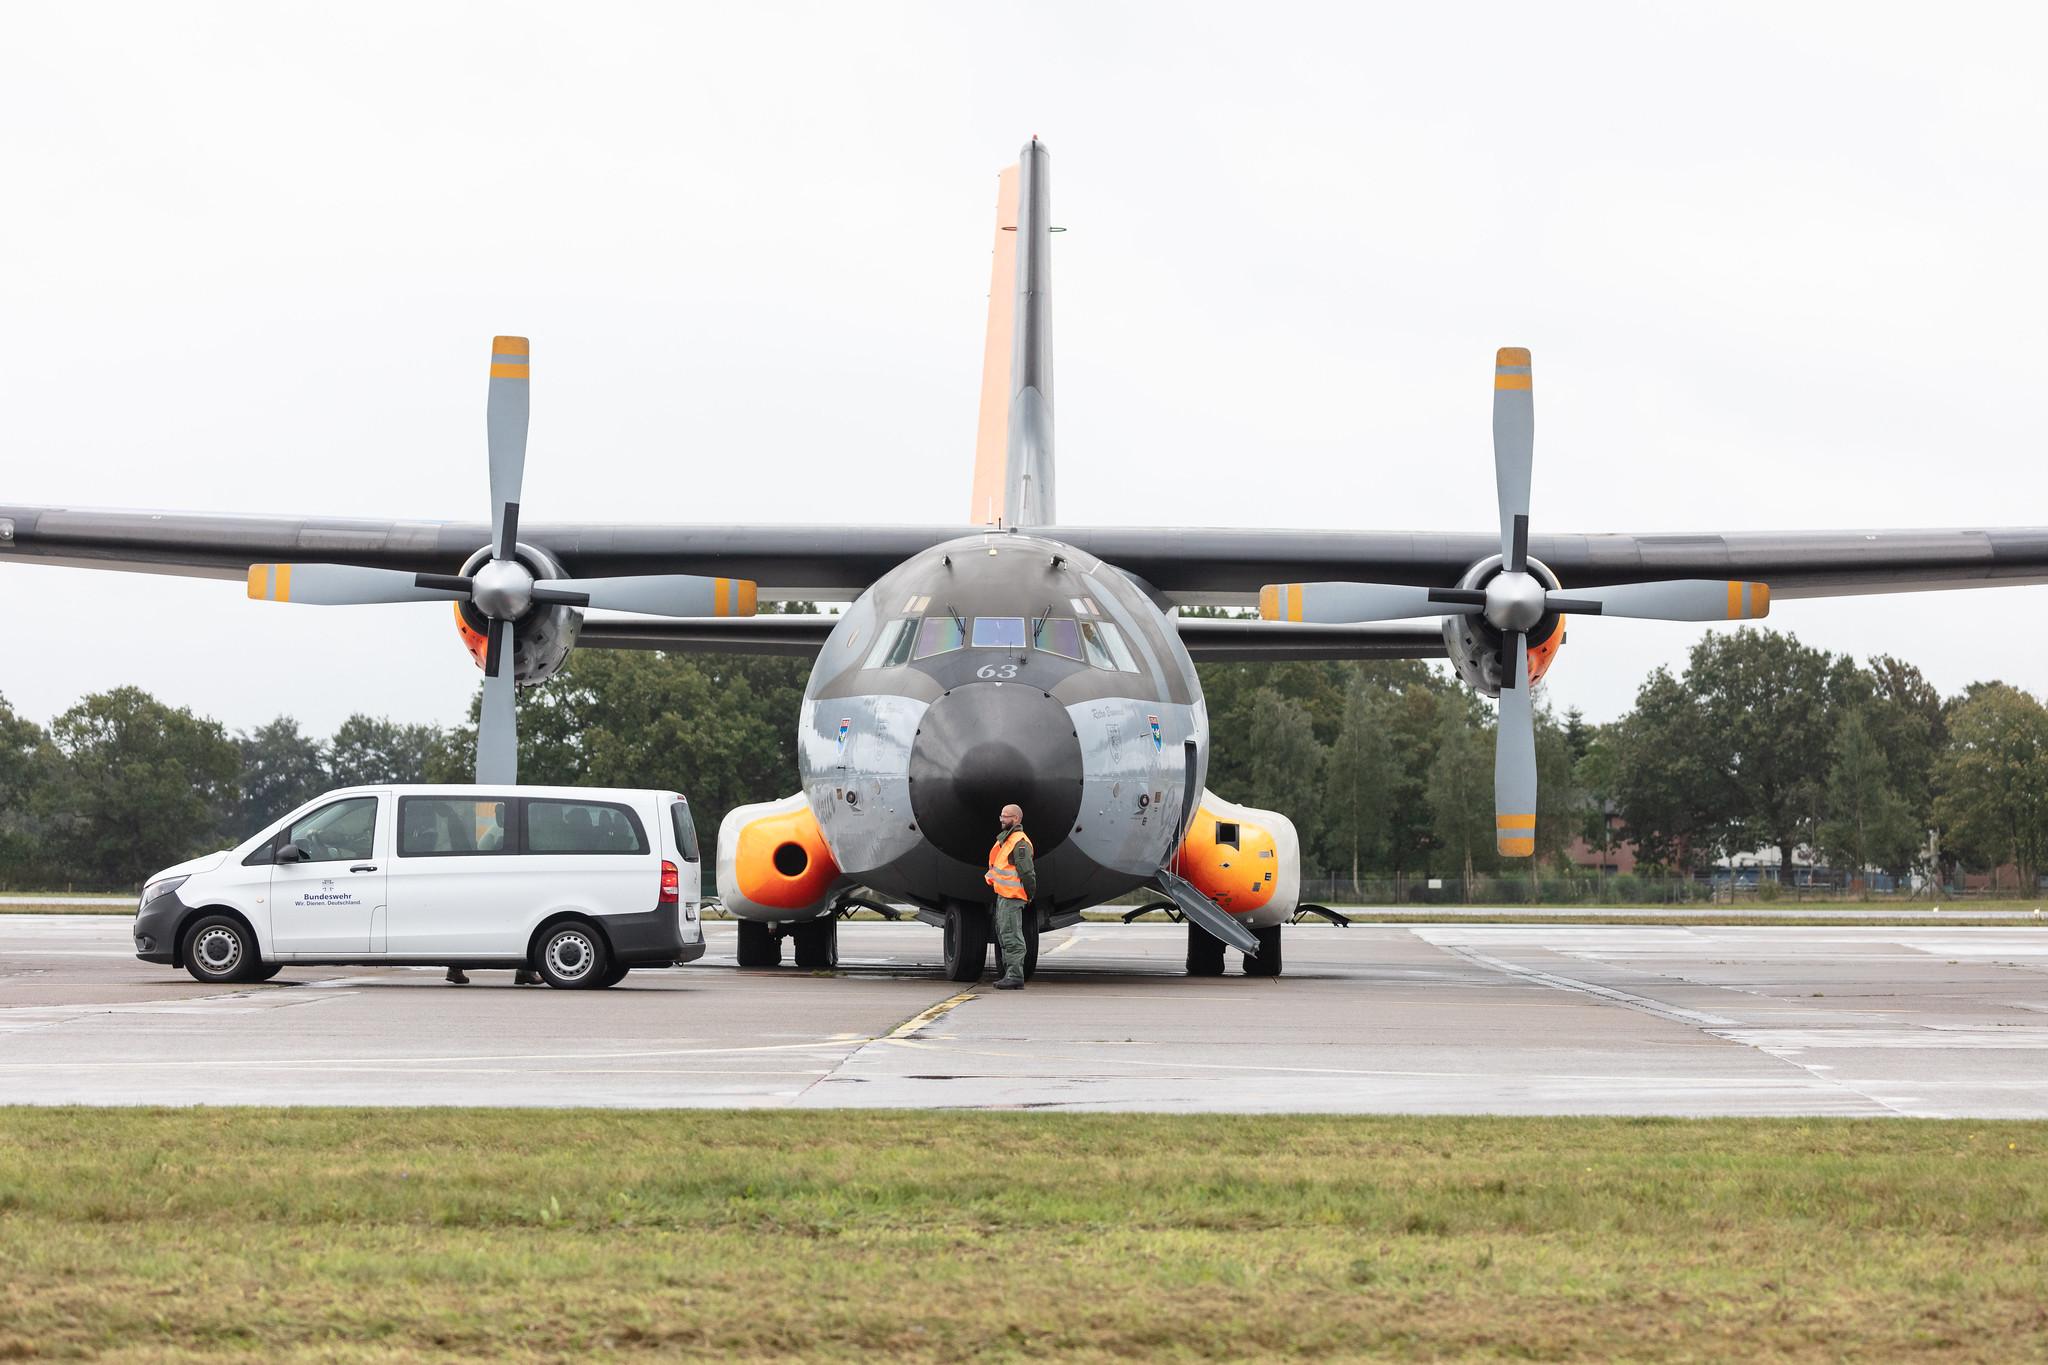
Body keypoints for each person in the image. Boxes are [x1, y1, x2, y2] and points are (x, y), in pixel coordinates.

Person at [985, 803, 1037, 990]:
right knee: (1004, 934)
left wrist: (1029, 893)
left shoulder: (1019, 842)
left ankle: (1015, 976)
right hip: (1003, 895)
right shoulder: (1007, 840)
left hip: (1013, 897)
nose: (1001, 819)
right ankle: (1010, 974)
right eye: (1001, 816)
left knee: (1012, 936)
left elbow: (1027, 872)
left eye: (1005, 816)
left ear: (1015, 819)